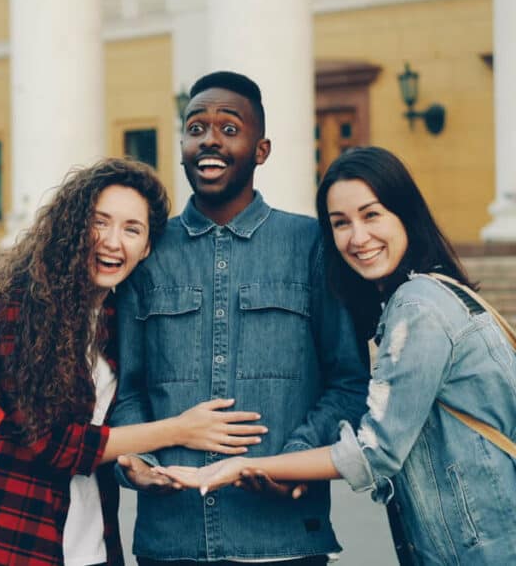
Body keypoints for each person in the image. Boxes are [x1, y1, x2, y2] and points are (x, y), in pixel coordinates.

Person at [162, 146, 516, 565]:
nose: (357, 237)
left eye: (371, 215)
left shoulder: (418, 308)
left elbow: (375, 450)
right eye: (340, 223)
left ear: (405, 214)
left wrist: (248, 466)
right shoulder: (435, 295)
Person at [111, 71, 370, 565]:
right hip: (172, 543)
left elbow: (349, 381)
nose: (209, 139)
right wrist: (140, 464)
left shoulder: (311, 245)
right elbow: (130, 389)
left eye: (229, 129)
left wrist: (289, 462)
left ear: (261, 149)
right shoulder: (149, 251)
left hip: (284, 543)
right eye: (195, 128)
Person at [0, 158, 267, 566]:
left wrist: (143, 464)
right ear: (71, 227)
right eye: (99, 222)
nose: (112, 241)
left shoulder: (113, 317)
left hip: (92, 540)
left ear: (148, 247)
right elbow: (54, 443)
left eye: (131, 229)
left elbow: (118, 418)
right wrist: (179, 430)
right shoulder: (20, 306)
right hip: (14, 539)